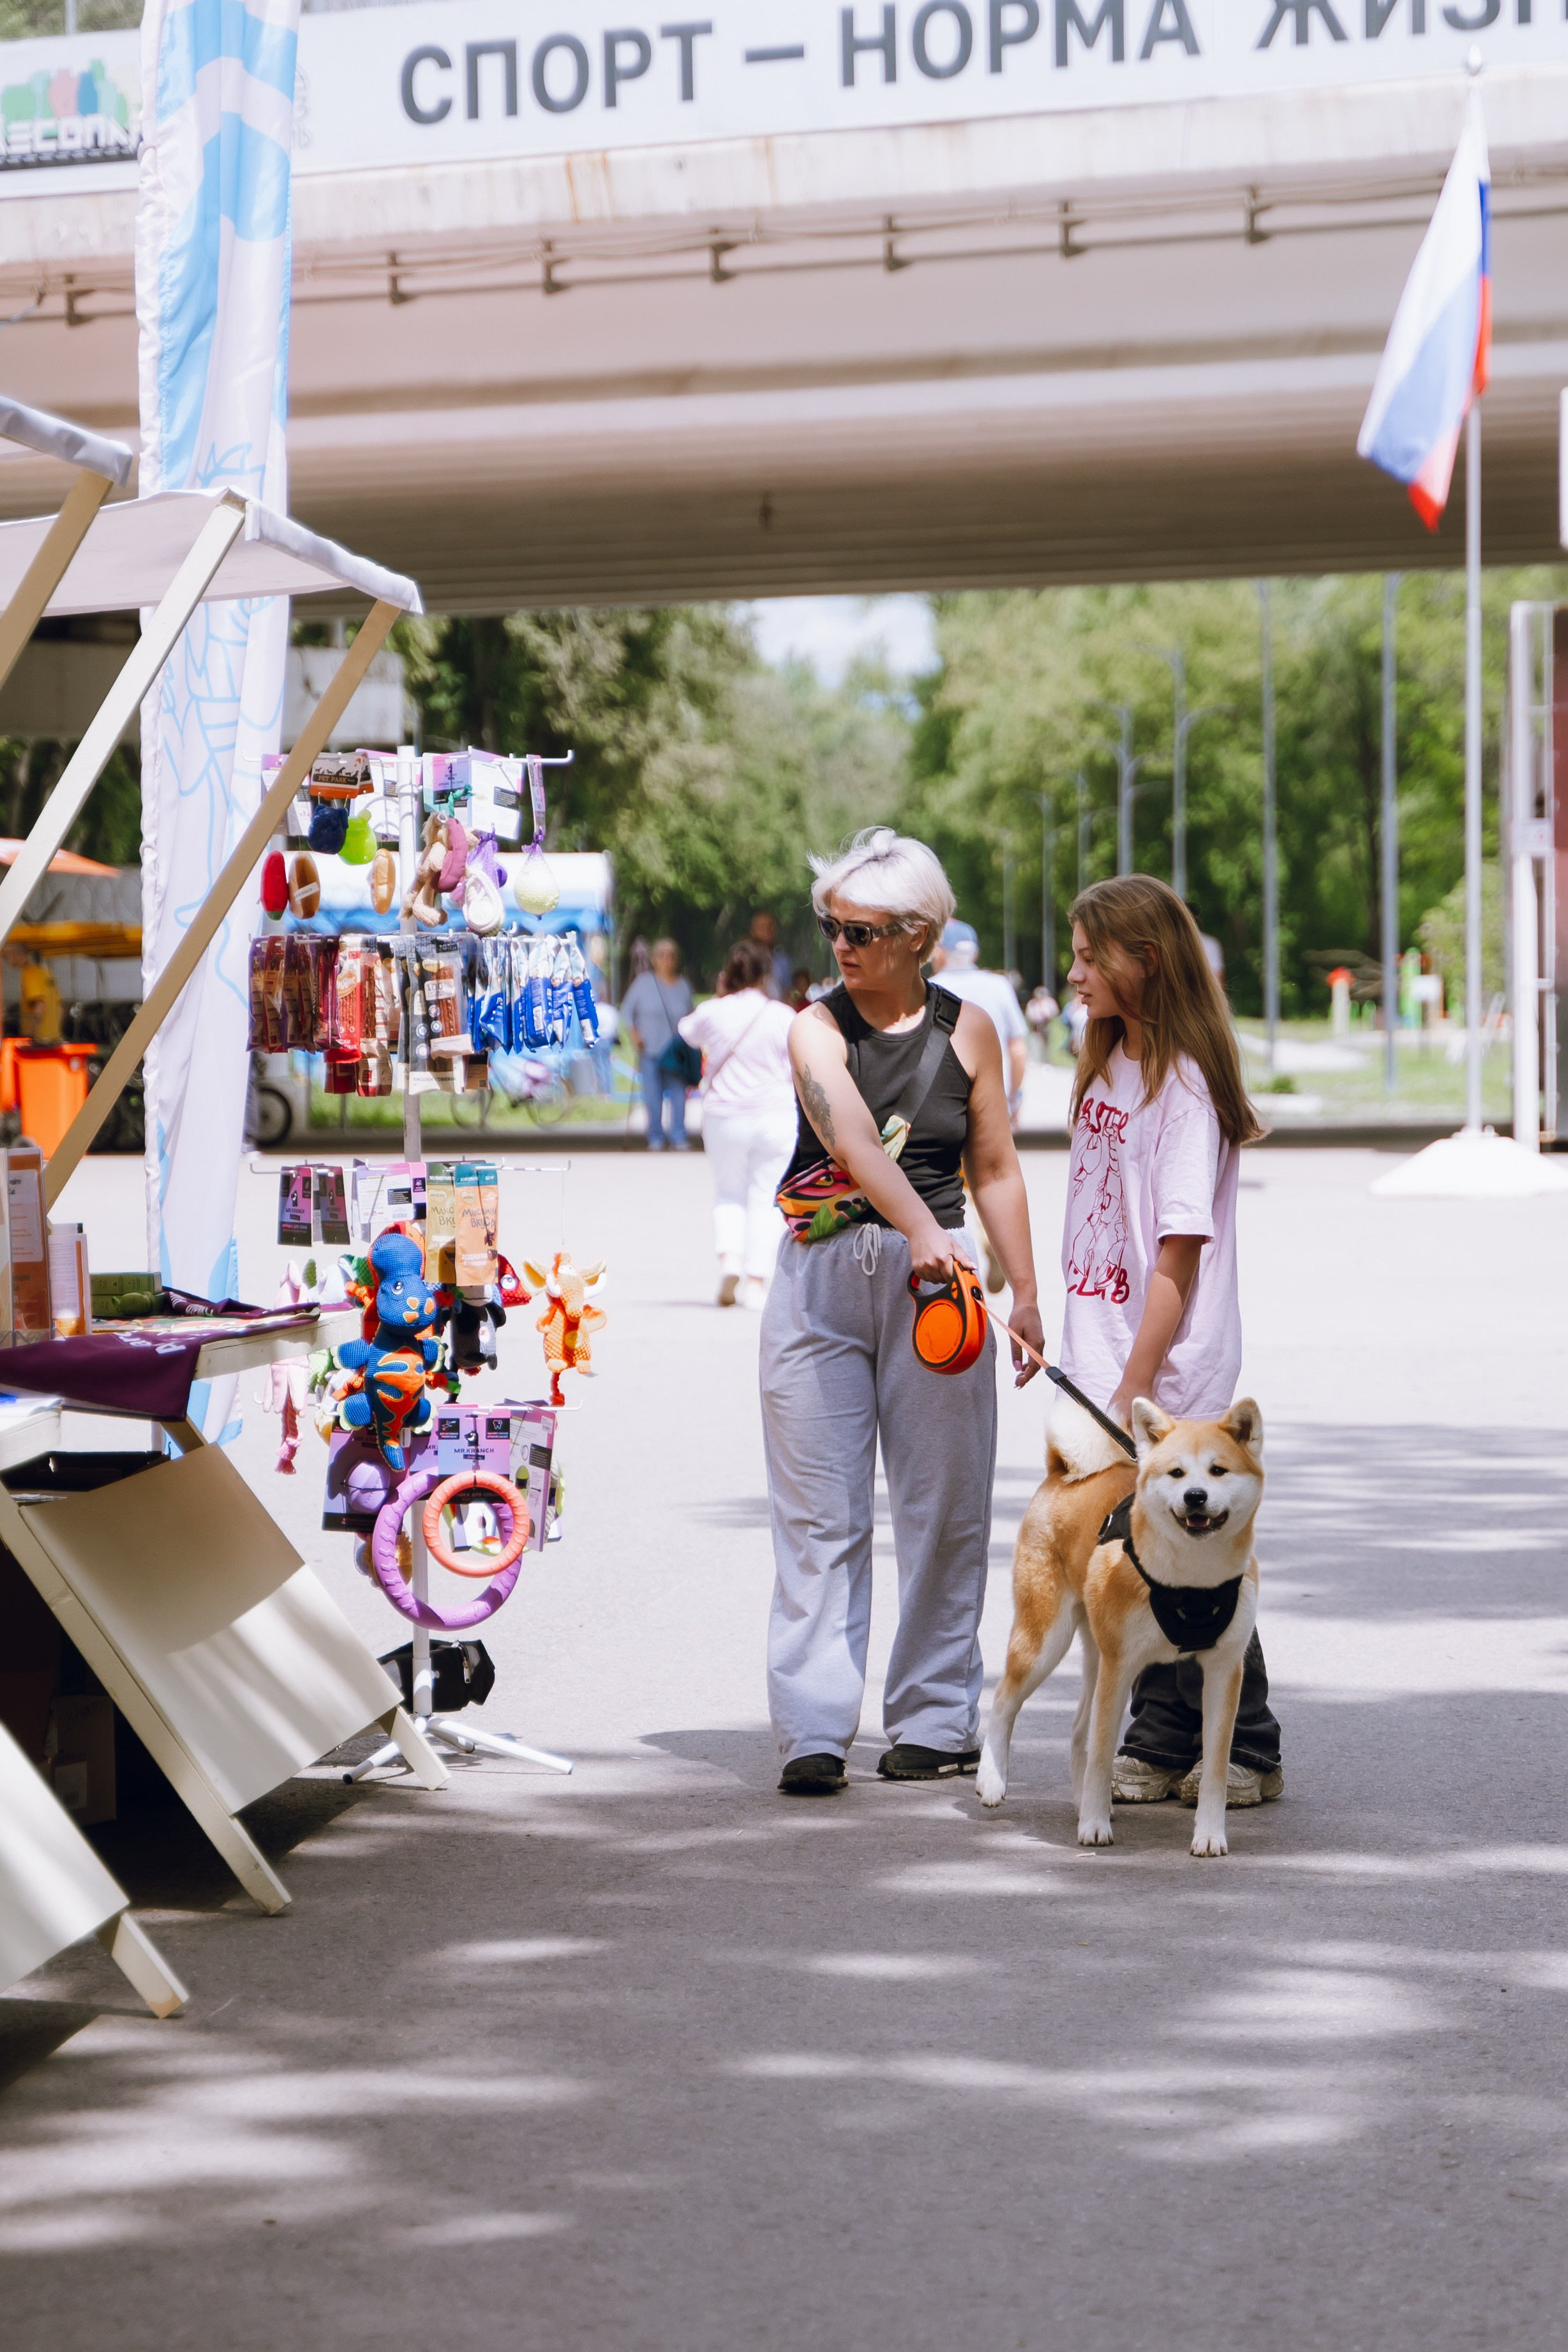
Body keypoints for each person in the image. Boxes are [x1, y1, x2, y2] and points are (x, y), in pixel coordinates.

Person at [761, 826, 1044, 1796]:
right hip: (822, 1275)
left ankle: (933, 1717)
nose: (842, 944)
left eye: (866, 930)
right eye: (832, 925)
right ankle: (812, 1723)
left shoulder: (968, 1031)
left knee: (944, 1509)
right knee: (817, 1513)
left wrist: (1029, 1292)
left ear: (921, 934)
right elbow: (846, 1138)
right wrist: (922, 1225)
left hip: (943, 1291)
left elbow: (997, 1164)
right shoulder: (812, 1027)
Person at [1058, 873, 1283, 1808]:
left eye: (1087, 956)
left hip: (1163, 1373)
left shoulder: (1183, 1087)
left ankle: (1252, 1744)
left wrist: (1135, 1388)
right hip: (1104, 1354)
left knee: (1193, 1552)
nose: (1072, 973)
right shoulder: (1110, 1061)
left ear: (1142, 963)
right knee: (1140, 1557)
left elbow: (1176, 1258)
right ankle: (1162, 1734)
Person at [678, 940, 797, 1308]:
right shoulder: (781, 1014)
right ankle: (757, 1282)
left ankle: (730, 1260)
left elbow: (686, 1032)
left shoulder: (713, 1011)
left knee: (729, 1191)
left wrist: (719, 995)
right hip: (775, 1115)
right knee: (766, 1196)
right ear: (766, 975)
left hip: (724, 1115)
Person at [932, 921, 1029, 1128]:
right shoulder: (1000, 986)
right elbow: (1018, 1051)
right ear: (974, 954)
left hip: (940, 1104)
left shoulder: (930, 989)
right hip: (994, 1102)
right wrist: (1014, 1098)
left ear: (938, 953)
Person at [621, 938, 695, 1152]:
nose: (666, 959)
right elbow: (627, 1013)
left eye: (671, 954)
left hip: (676, 1051)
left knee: (679, 1094)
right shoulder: (643, 982)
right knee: (652, 1095)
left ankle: (679, 1135)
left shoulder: (684, 985)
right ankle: (655, 1136)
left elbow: (692, 1016)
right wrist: (635, 1035)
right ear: (654, 959)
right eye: (662, 954)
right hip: (650, 1049)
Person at [747, 910, 793, 1000]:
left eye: (770, 927)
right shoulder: (745, 960)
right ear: (753, 931)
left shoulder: (782, 960)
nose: (767, 931)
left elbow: (787, 992)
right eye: (762, 927)